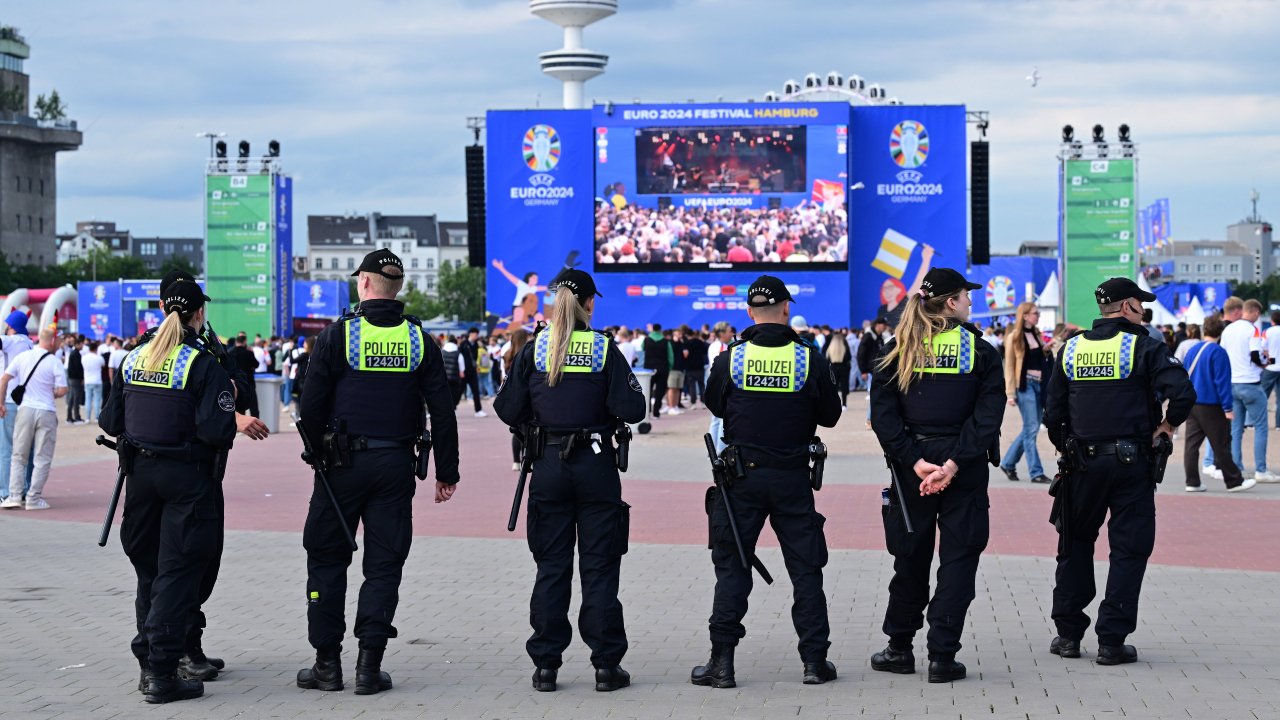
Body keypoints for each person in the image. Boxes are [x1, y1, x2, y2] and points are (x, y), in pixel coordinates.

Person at [297, 248, 461, 696]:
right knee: (384, 564)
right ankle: (369, 666)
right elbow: (442, 411)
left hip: (339, 464)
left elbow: (310, 406)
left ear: (364, 283)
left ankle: (326, 664)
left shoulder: (337, 336)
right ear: (398, 287)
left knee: (327, 559)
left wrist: (313, 454)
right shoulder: (418, 341)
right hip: (394, 465)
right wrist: (447, 470)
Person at [494, 269, 646, 693]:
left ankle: (545, 666)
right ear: (590, 304)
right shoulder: (603, 349)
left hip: (547, 467)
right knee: (599, 568)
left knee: (551, 568)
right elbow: (633, 407)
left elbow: (507, 408)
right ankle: (606, 666)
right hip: (596, 467)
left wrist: (538, 421)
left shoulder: (535, 348)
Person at [693, 275, 842, 688]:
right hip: (793, 477)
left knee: (732, 569)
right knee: (806, 571)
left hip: (741, 477)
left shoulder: (731, 358)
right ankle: (815, 662)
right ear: (786, 309)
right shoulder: (808, 358)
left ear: (748, 312)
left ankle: (721, 664)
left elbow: (714, 404)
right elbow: (830, 415)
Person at [1042, 277, 1196, 665]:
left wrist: (1070, 448)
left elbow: (1053, 412)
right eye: (1140, 305)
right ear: (1127, 306)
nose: (1144, 311)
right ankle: (1111, 641)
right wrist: (1168, 425)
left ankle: (1068, 635)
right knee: (1129, 550)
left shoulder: (1070, 348)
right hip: (1132, 464)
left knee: (1074, 544)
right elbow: (1183, 393)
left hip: (1082, 465)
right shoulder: (1144, 346)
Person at [96, 280, 238, 703]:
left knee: (150, 572)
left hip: (140, 477)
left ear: (163, 310)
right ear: (199, 314)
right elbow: (216, 430)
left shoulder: (135, 356)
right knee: (177, 574)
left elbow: (109, 420)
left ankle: (148, 667)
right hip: (188, 481)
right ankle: (162, 672)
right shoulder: (202, 363)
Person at [869, 268, 1003, 683]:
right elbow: (987, 418)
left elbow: (884, 418)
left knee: (911, 556)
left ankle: (900, 649)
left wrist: (914, 461)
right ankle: (943, 657)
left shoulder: (899, 349)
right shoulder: (981, 352)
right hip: (962, 467)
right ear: (950, 302)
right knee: (959, 559)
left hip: (915, 467)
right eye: (965, 296)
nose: (969, 302)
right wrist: (954, 464)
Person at [0, 327, 69, 510]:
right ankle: (33, 498)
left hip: (25, 410)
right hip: (46, 411)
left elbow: (4, 379)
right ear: (53, 341)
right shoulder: (55, 362)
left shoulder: (22, 357)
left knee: (18, 455)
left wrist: (1, 403)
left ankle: (14, 496)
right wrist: (51, 393)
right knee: (42, 457)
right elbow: (62, 390)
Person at [1182, 316, 1251, 492]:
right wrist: (1228, 407)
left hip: (1192, 404)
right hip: (1211, 404)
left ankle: (1192, 481)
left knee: (1191, 445)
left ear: (1204, 329)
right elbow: (1222, 382)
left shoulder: (1192, 350)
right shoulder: (1218, 352)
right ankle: (1234, 481)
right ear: (1221, 332)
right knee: (1221, 443)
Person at [1220, 298, 1277, 482]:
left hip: (1232, 384)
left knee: (1236, 429)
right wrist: (1264, 363)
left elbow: (1223, 354)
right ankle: (1261, 469)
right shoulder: (1252, 330)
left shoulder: (1228, 329)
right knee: (1261, 427)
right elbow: (1254, 355)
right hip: (1250, 383)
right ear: (1254, 312)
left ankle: (1237, 467)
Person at [999, 302, 1051, 484]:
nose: (1038, 316)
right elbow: (1010, 366)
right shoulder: (1014, 337)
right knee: (1031, 429)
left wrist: (1045, 350)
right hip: (1025, 386)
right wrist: (1010, 393)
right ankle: (1036, 472)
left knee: (1031, 428)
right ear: (1025, 315)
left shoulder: (1036, 335)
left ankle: (1008, 463)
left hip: (1039, 385)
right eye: (1035, 313)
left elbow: (1037, 359)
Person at [0, 310, 33, 503]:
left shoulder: (12, 341)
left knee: (6, 449)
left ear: (12, 326)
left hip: (9, 402)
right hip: (25, 402)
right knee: (25, 448)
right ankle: (25, 488)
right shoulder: (29, 343)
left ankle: (5, 491)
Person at [643, 324, 671, 418]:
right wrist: (669, 368)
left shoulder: (646, 340)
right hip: (663, 368)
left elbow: (642, 349)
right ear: (660, 330)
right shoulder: (666, 341)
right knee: (660, 391)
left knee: (647, 390)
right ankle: (656, 412)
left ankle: (647, 411)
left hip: (648, 369)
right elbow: (671, 357)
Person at [459, 327, 486, 417]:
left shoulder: (476, 344)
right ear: (471, 334)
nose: (477, 336)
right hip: (464, 371)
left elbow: (478, 357)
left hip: (473, 371)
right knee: (459, 391)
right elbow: (459, 358)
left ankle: (478, 410)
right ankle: (452, 408)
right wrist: (460, 370)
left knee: (476, 391)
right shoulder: (463, 344)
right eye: (475, 334)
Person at [823, 328, 852, 409]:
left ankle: (834, 404)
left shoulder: (830, 345)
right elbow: (849, 357)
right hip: (843, 368)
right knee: (844, 386)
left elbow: (827, 357)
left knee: (834, 387)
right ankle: (844, 404)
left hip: (833, 368)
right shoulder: (844, 343)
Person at [82, 342, 106, 422]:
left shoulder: (84, 358)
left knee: (88, 399)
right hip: (97, 381)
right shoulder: (99, 358)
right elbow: (103, 365)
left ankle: (87, 418)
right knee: (97, 400)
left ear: (89, 349)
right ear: (96, 349)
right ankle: (97, 417)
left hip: (88, 381)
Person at [1264, 310, 1280, 430]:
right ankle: (1279, 424)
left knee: (1263, 396)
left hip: (1270, 367)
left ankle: (1259, 422)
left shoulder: (1267, 332)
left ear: (1272, 320)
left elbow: (1262, 348)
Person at [65, 335, 85, 424]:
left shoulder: (74, 353)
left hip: (72, 378)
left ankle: (69, 417)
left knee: (72, 398)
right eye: (81, 344)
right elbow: (78, 368)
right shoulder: (76, 354)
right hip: (75, 379)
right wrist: (81, 378)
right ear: (77, 344)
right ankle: (77, 417)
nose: (82, 346)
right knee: (76, 398)